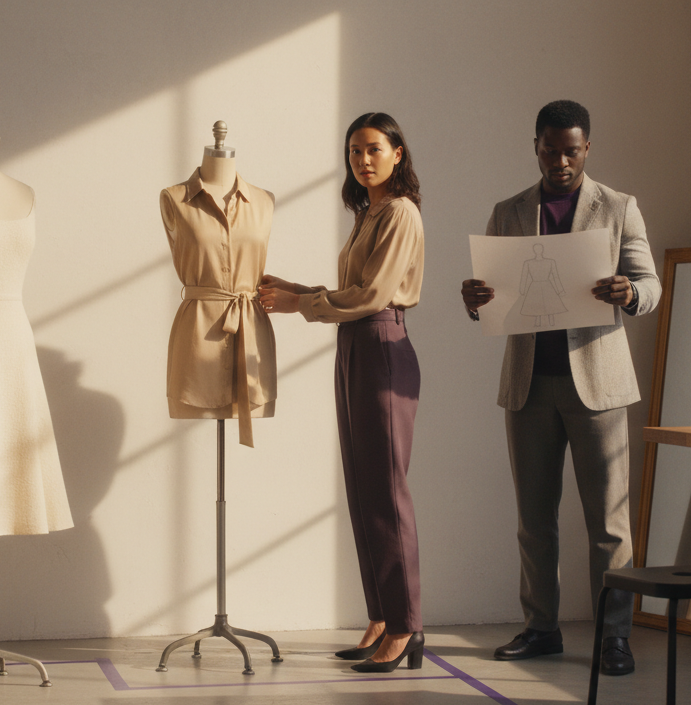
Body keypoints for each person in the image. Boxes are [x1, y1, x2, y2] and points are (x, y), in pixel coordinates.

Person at [462, 100, 660, 674]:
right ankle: (541, 628)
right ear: (537, 147)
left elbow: (651, 284)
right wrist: (475, 301)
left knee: (608, 521)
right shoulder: (509, 211)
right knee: (534, 519)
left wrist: (629, 292)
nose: (561, 161)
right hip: (528, 386)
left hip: (596, 384)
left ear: (587, 147)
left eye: (571, 150)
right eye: (550, 150)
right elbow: (492, 292)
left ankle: (613, 637)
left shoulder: (619, 207)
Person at [260, 112, 426, 673]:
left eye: (374, 148)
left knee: (386, 491)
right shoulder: (368, 212)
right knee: (361, 488)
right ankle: (381, 615)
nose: (363, 159)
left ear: (398, 153)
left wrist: (300, 305)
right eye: (355, 150)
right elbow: (352, 292)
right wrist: (294, 289)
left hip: (381, 346)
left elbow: (375, 294)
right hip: (356, 343)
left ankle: (406, 626)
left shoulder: (400, 212)